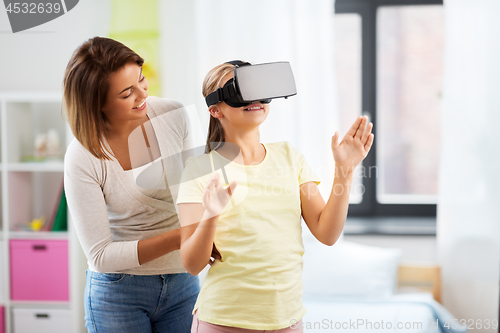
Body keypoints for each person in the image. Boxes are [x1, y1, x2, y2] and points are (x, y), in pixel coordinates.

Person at [176, 61, 374, 333]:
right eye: (239, 89)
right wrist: (211, 215)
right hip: (223, 320)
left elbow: (327, 234)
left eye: (257, 86)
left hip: (288, 320)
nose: (254, 98)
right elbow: (191, 264)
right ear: (215, 109)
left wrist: (345, 171)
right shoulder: (198, 170)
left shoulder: (290, 157)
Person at [62, 36, 203, 333]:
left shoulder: (173, 116)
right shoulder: (83, 155)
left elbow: (194, 196)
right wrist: (184, 236)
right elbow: (100, 256)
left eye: (142, 80)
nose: (142, 96)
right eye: (127, 93)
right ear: (96, 103)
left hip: (183, 282)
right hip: (118, 292)